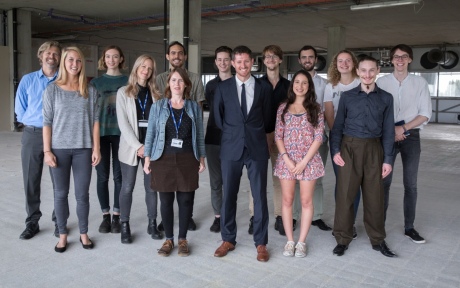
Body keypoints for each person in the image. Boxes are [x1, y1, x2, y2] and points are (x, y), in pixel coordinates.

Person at [330, 55, 396, 258]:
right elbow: (337, 126)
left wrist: (387, 159)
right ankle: (342, 238)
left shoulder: (386, 98)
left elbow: (388, 131)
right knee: (345, 196)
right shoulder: (348, 97)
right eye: (363, 70)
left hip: (374, 150)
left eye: (371, 70)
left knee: (374, 197)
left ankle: (377, 239)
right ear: (357, 72)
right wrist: (335, 151)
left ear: (377, 72)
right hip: (349, 148)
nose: (367, 74)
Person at [213, 45, 272, 262]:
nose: (242, 66)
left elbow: (267, 117)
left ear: (252, 62)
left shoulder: (263, 87)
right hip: (231, 147)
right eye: (238, 62)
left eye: (246, 61)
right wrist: (234, 133)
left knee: (259, 196)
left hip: (256, 147)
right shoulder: (223, 87)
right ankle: (228, 239)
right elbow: (219, 118)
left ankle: (261, 242)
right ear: (232, 63)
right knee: (228, 194)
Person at [42, 46, 101, 253]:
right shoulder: (52, 90)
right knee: (60, 194)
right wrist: (47, 151)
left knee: (82, 194)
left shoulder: (89, 90)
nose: (74, 64)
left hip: (83, 149)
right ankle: (63, 234)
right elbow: (47, 122)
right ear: (64, 62)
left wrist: (96, 148)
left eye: (78, 61)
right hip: (59, 149)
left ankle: (84, 233)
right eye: (70, 60)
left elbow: (95, 122)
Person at [143, 67, 206, 257]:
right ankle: (169, 239)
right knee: (166, 201)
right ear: (168, 84)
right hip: (163, 158)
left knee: (186, 200)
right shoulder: (158, 106)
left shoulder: (194, 107)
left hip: (188, 158)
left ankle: (183, 239)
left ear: (186, 84)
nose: (176, 84)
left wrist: (201, 158)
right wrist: (147, 158)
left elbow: (200, 136)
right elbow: (151, 134)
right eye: (173, 80)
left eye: (180, 80)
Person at [376, 44, 432, 244]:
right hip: (386, 135)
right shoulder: (381, 83)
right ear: (391, 60)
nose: (400, 60)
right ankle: (378, 226)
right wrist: (391, 130)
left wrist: (403, 128)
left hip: (411, 136)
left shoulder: (420, 83)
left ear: (409, 60)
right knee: (383, 183)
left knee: (411, 184)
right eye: (396, 56)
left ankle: (410, 228)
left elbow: (425, 113)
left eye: (404, 56)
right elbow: (377, 111)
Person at [274, 70, 325, 258]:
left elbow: (319, 137)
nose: (300, 86)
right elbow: (278, 136)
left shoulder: (316, 108)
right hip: (287, 160)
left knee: (306, 201)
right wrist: (287, 158)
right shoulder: (283, 108)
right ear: (292, 85)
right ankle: (289, 241)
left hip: (308, 161)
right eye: (297, 82)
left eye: (304, 82)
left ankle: (301, 242)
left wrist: (304, 162)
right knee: (287, 201)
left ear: (309, 86)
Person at [156, 41, 205, 231]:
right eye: (173, 53)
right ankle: (165, 219)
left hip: (187, 134)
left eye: (180, 53)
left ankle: (188, 217)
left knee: (187, 184)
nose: (177, 56)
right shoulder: (159, 78)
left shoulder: (195, 78)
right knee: (166, 184)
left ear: (185, 57)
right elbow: (157, 107)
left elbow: (199, 105)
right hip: (167, 135)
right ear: (168, 56)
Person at [15, 41, 61, 240]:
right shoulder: (28, 79)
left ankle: (59, 219)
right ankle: (32, 221)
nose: (52, 56)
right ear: (41, 55)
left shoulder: (65, 80)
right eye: (48, 53)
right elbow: (20, 109)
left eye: (56, 53)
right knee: (30, 180)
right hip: (33, 134)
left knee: (59, 180)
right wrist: (35, 122)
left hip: (59, 135)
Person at [116, 54, 162, 244]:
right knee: (127, 187)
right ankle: (124, 225)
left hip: (151, 149)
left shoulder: (157, 94)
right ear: (136, 68)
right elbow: (123, 124)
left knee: (152, 188)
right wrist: (138, 146)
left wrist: (149, 148)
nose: (146, 70)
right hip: (130, 148)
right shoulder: (123, 93)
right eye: (143, 66)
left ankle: (152, 223)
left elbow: (159, 123)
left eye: (150, 68)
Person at [250, 44, 291, 236]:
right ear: (263, 60)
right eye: (267, 57)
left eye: (274, 56)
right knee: (257, 179)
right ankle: (254, 216)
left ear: (280, 60)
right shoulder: (256, 84)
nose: (271, 60)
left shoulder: (288, 86)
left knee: (279, 180)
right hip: (259, 136)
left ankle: (280, 216)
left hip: (282, 138)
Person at [324, 50, 361, 239]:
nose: (344, 64)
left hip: (359, 139)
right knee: (342, 182)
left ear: (354, 63)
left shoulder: (361, 83)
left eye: (348, 60)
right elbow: (329, 114)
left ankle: (351, 223)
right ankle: (342, 221)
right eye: (340, 61)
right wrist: (337, 137)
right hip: (339, 139)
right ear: (335, 64)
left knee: (354, 182)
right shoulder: (331, 86)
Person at [90, 45, 128, 234]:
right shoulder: (96, 83)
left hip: (122, 134)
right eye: (108, 57)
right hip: (101, 134)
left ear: (121, 59)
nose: (111, 60)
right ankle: (105, 216)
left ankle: (117, 216)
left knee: (119, 176)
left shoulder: (129, 80)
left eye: (115, 56)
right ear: (103, 59)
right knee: (102, 176)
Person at [297, 45, 331, 231]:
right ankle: (295, 215)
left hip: (318, 140)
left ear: (316, 59)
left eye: (311, 57)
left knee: (316, 179)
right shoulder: (292, 82)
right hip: (296, 141)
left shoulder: (324, 85)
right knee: (295, 178)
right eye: (304, 57)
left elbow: (327, 112)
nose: (307, 60)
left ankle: (316, 216)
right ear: (299, 60)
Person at [204, 46, 233, 233]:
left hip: (232, 139)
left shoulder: (238, 84)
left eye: (226, 59)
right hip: (213, 138)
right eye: (219, 59)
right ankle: (218, 217)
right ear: (215, 62)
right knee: (216, 182)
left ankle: (228, 215)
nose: (222, 63)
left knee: (230, 181)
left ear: (231, 61)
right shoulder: (211, 86)